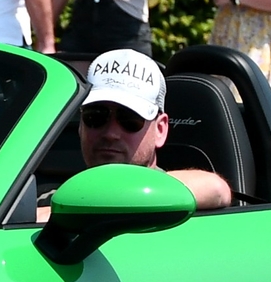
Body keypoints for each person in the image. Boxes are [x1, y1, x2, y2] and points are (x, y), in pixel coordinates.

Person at [69, 49, 233, 209]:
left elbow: (217, 190)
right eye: (95, 116)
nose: (111, 133)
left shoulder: (175, 200)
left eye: (130, 120)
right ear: (81, 125)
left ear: (160, 130)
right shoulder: (52, 198)